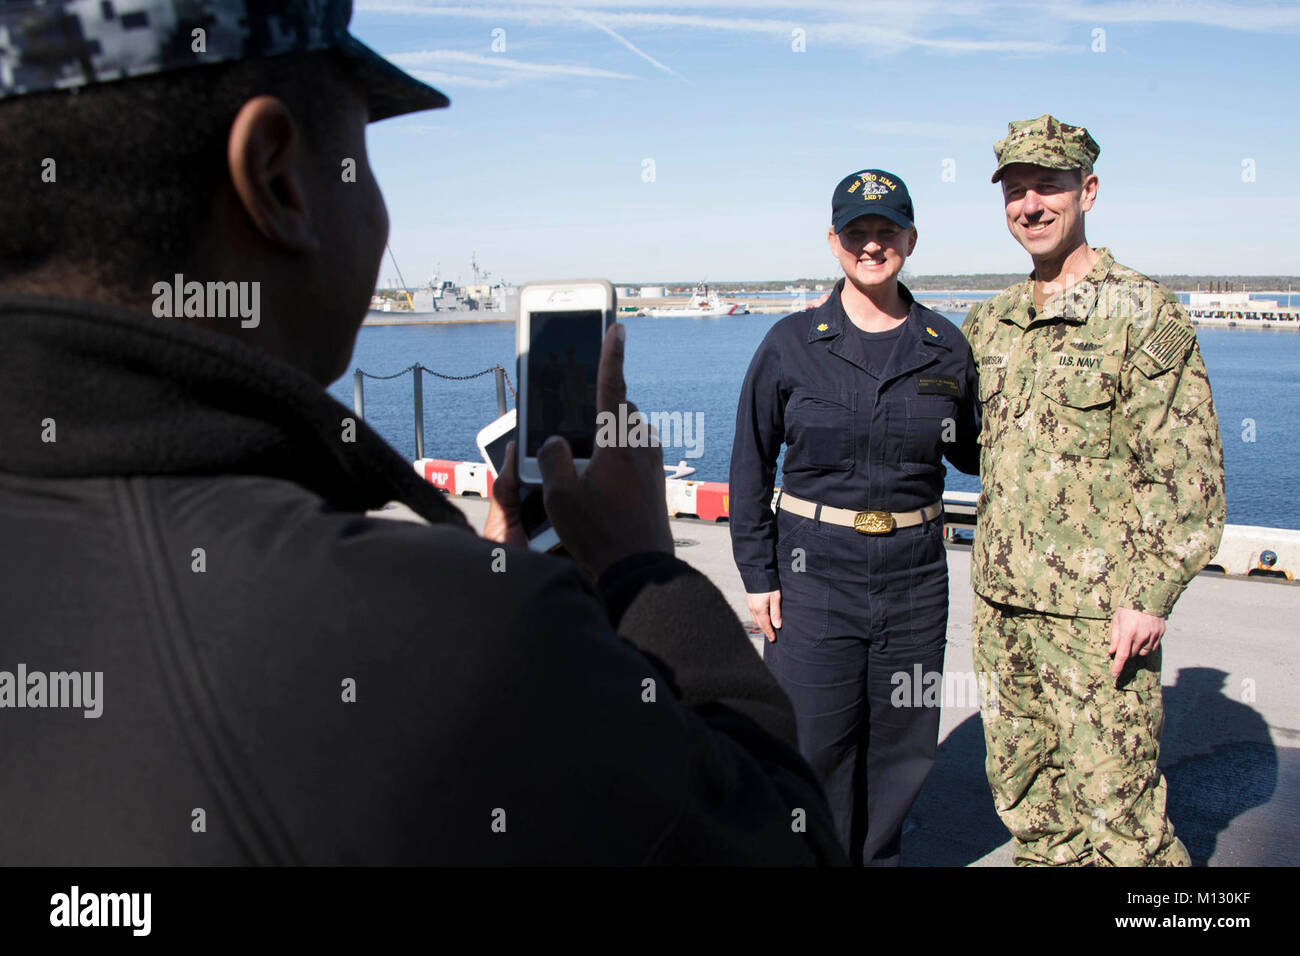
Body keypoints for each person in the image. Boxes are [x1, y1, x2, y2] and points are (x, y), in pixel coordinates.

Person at [0, 0, 844, 865]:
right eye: (362, 158)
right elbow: (787, 842)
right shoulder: (467, 635)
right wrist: (646, 572)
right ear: (279, 178)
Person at [961, 114, 1226, 866]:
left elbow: (1189, 474)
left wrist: (1148, 597)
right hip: (1004, 606)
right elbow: (974, 451)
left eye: (1048, 186)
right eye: (1016, 190)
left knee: (1120, 816)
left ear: (1089, 190)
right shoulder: (991, 322)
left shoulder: (1142, 312)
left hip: (1098, 615)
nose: (1031, 205)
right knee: (1030, 805)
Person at [729, 169, 980, 865]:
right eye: (857, 233)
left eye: (887, 231)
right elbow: (750, 461)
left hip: (914, 577)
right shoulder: (790, 343)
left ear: (911, 239)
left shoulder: (945, 345)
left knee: (903, 744)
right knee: (814, 741)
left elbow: (978, 451)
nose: (873, 246)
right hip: (813, 571)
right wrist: (758, 572)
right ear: (834, 241)